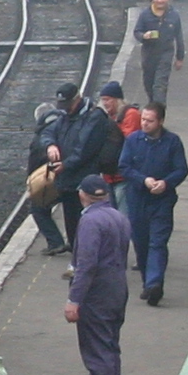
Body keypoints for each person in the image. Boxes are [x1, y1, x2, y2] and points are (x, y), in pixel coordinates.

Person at [64, 178, 131, 375]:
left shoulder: (90, 221)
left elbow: (87, 264)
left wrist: (74, 299)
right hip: (117, 290)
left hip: (97, 295)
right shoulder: (119, 217)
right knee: (110, 350)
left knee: (97, 354)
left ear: (83, 195)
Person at [116, 103, 188, 307]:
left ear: (161, 121)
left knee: (157, 242)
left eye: (150, 121)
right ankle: (148, 282)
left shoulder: (172, 142)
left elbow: (181, 169)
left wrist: (166, 183)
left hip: (162, 201)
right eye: (143, 119)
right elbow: (124, 167)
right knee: (141, 243)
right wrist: (143, 180)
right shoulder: (133, 140)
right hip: (137, 199)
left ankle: (154, 283)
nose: (145, 124)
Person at [53, 81, 127, 252]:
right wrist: (50, 145)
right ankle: (78, 257)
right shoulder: (65, 115)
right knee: (72, 224)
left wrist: (65, 164)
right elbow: (51, 132)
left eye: (68, 104)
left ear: (77, 99)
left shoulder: (94, 117)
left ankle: (87, 258)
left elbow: (85, 149)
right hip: (67, 180)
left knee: (86, 224)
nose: (65, 109)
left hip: (83, 179)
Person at [26, 89, 79, 253]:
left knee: (38, 209)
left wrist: (31, 184)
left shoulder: (40, 139)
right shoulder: (68, 128)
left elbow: (33, 165)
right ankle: (76, 242)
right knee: (73, 212)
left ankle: (55, 242)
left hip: (52, 180)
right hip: (72, 177)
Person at [129, 0, 186, 107]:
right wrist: (144, 36)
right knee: (149, 84)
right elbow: (137, 32)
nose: (160, 1)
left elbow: (179, 38)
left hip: (166, 53)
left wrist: (180, 58)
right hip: (148, 54)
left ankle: (159, 110)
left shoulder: (174, 15)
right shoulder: (145, 14)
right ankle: (153, 106)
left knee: (160, 85)